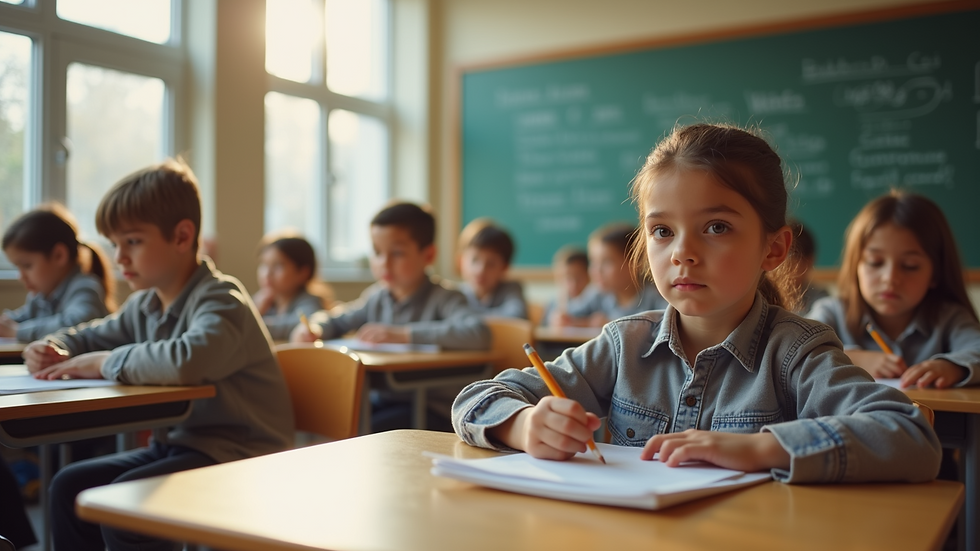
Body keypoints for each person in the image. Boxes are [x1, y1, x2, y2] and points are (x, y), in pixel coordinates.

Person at [452, 123, 940, 484]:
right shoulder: (624, 345)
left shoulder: (797, 352)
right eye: (662, 231)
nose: (682, 252)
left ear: (773, 248)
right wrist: (522, 424)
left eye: (717, 227)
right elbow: (472, 401)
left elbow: (911, 435)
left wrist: (759, 449)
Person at [22, 158, 295, 551]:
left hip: (242, 453)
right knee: (70, 487)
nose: (119, 258)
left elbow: (189, 360)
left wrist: (105, 363)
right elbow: (92, 334)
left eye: (132, 241)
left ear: (182, 237)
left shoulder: (222, 298)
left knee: (128, 505)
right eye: (115, 244)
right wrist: (56, 347)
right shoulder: (145, 303)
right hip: (181, 444)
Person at [806, 191, 980, 388]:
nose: (890, 278)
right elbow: (799, 351)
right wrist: (852, 358)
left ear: (936, 273)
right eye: (875, 262)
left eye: (909, 265)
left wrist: (952, 367)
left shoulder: (950, 318)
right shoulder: (832, 312)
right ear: (856, 266)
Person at [290, 202, 490, 350]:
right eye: (377, 252)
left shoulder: (445, 298)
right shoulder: (377, 297)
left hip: (425, 402)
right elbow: (337, 319)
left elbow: (477, 333)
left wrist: (403, 335)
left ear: (428, 255)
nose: (383, 263)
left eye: (397, 253)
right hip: (382, 399)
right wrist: (315, 328)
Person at [1, 205, 114, 342]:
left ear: (59, 256)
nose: (21, 276)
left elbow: (76, 325)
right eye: (17, 267)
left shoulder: (85, 287)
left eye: (27, 266)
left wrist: (18, 332)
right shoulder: (42, 296)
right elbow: (18, 319)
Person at [556, 223, 667, 327]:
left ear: (635, 263)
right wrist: (580, 321)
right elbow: (567, 315)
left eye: (607, 262)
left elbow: (665, 327)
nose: (597, 270)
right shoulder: (598, 294)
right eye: (593, 262)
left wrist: (613, 324)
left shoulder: (655, 296)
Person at [253, 232, 331, 340]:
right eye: (264, 265)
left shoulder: (310, 301)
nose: (267, 274)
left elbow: (299, 325)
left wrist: (251, 321)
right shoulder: (264, 302)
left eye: (278, 265)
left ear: (303, 272)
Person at [456, 218, 527, 319]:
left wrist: (466, 317)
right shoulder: (456, 294)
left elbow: (516, 316)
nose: (480, 270)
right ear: (461, 261)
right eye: (474, 260)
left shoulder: (511, 290)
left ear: (504, 267)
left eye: (491, 264)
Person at [542, 245, 595, 327]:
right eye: (567, 278)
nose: (573, 285)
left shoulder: (598, 298)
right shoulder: (554, 302)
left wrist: (578, 322)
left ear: (589, 275)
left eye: (579, 278)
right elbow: (543, 328)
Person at [788, 220, 829, 313]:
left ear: (809, 261)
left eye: (790, 256)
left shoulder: (820, 300)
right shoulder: (760, 296)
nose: (779, 266)